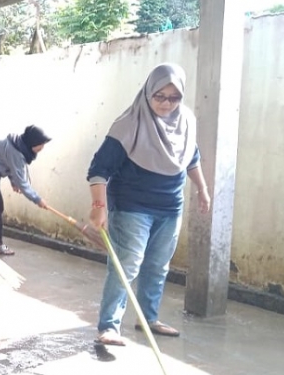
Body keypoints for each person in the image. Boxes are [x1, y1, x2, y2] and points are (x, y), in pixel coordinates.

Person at [87, 63, 211, 346]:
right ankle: (109, 326)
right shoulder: (129, 123)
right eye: (160, 96)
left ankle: (148, 318)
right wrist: (99, 206)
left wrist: (202, 189)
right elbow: (99, 169)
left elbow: (191, 158)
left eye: (174, 97)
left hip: (170, 207)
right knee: (126, 266)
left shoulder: (186, 121)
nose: (166, 104)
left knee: (157, 266)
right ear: (148, 92)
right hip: (132, 207)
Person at [0, 125, 55, 256]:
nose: (42, 147)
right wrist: (37, 199)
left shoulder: (18, 146)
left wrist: (14, 182)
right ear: (32, 142)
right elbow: (22, 182)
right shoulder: (16, 152)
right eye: (41, 144)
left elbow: (9, 166)